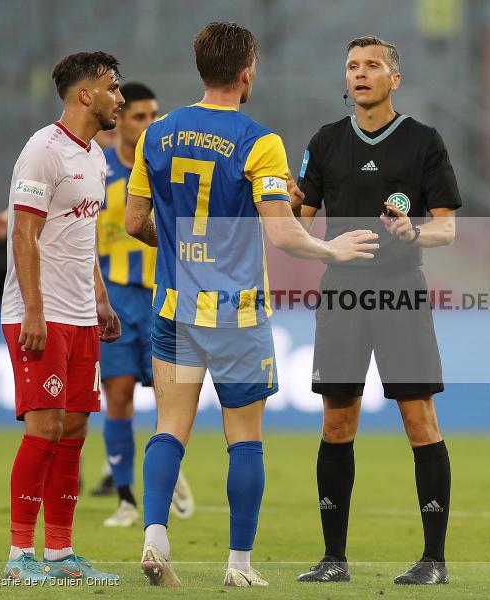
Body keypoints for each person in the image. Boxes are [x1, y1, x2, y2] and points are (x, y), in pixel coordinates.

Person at [124, 21, 378, 587]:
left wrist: (184, 250)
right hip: (237, 315)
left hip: (174, 308)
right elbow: (284, 234)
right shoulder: (259, 141)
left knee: (169, 428)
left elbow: (134, 222)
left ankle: (155, 538)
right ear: (246, 72)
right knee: (244, 439)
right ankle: (238, 565)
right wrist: (330, 249)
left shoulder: (156, 135)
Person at [291, 36, 461, 585]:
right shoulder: (326, 141)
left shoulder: (423, 142)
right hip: (341, 292)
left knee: (419, 420)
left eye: (372, 66)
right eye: (352, 66)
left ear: (395, 78)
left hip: (400, 291)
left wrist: (416, 232)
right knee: (337, 423)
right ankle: (333, 559)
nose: (360, 74)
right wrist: (275, 197)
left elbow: (448, 228)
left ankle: (433, 561)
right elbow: (298, 214)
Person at [0, 51, 123, 581]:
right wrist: (33, 310)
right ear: (85, 94)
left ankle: (60, 554)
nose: (120, 97)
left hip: (81, 315)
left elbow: (82, 236)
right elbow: (23, 233)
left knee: (73, 431)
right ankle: (18, 554)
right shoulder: (41, 151)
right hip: (40, 314)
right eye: (113, 87)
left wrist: (101, 299)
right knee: (44, 430)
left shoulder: (95, 156)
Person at [93, 81, 194, 527]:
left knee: (167, 395)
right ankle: (127, 499)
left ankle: (167, 471)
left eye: (155, 115)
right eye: (140, 116)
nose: (150, 124)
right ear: (120, 120)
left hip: (163, 293)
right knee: (118, 395)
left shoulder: (169, 168)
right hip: (114, 296)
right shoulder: (98, 169)